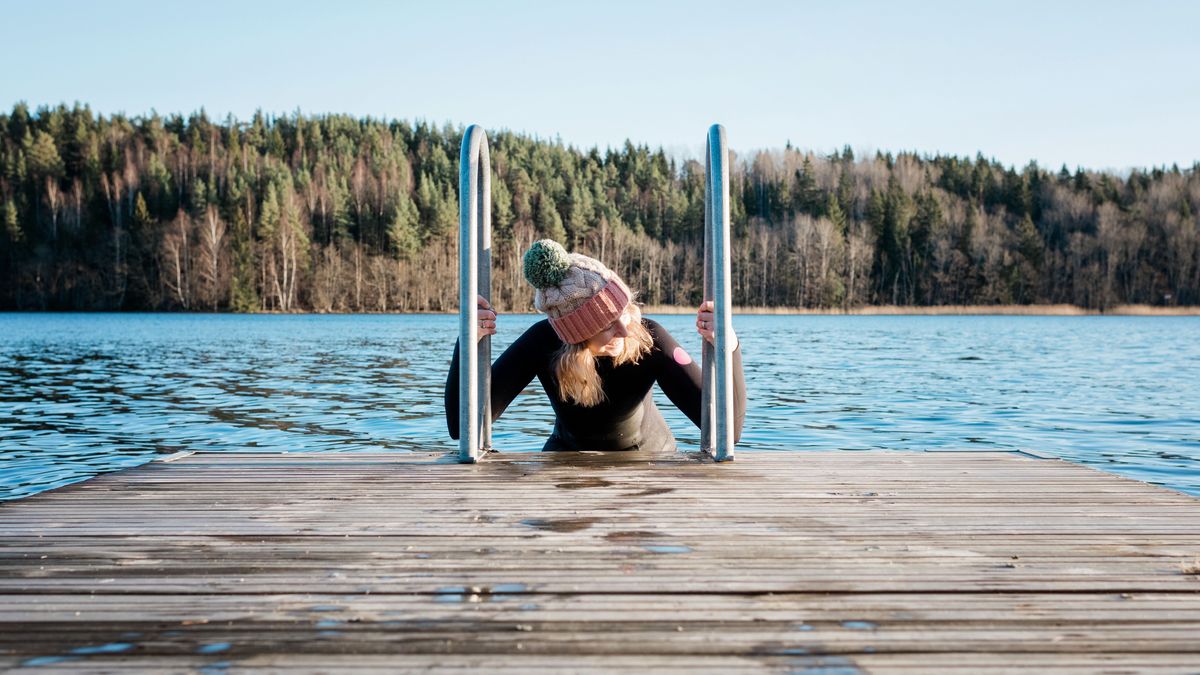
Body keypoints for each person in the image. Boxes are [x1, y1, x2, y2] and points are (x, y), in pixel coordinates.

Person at [445, 239, 745, 454]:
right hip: (567, 458)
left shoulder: (650, 339)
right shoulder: (543, 342)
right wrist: (467, 341)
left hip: (649, 461)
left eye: (624, 312)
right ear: (575, 337)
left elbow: (727, 432)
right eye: (607, 325)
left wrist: (729, 346)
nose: (626, 330)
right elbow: (462, 427)